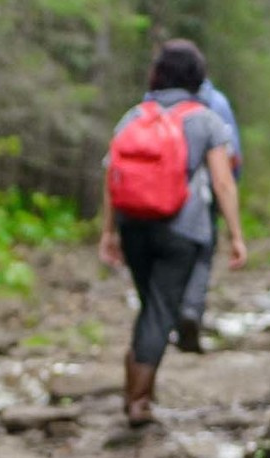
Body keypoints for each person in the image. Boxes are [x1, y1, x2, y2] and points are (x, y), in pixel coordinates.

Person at [98, 39, 245, 426]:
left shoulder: (132, 116)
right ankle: (138, 401)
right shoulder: (205, 119)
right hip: (181, 230)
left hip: (133, 225)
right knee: (161, 312)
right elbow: (223, 183)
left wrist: (109, 232)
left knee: (152, 308)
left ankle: (135, 388)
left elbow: (111, 176)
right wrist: (236, 235)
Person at [172, 74, 244, 353]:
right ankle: (191, 310)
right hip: (206, 193)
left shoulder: (151, 103)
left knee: (168, 257)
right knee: (201, 252)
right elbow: (232, 155)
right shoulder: (216, 102)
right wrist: (235, 226)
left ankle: (170, 317)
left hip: (159, 194)